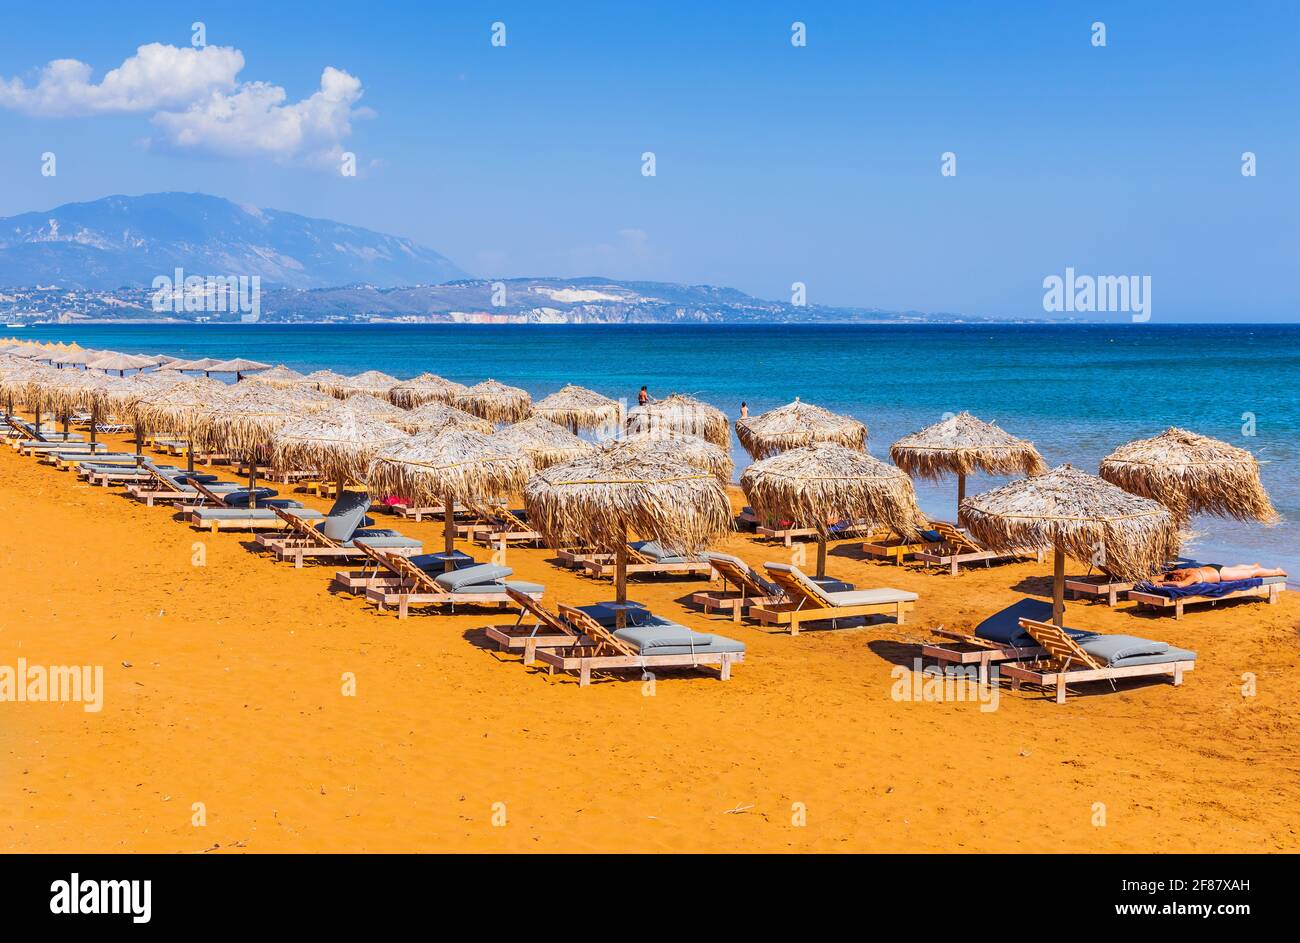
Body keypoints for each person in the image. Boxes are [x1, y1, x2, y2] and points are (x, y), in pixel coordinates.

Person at [1155, 563, 1287, 587]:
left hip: (1219, 574)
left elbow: (1180, 585)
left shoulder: (1191, 577)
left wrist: (1163, 583)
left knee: (1252, 575)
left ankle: (1277, 572)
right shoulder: (1186, 571)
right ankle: (1252, 565)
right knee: (1235, 569)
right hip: (1213, 567)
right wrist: (1162, 580)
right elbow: (1171, 575)